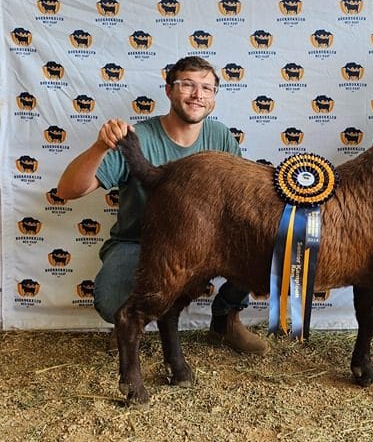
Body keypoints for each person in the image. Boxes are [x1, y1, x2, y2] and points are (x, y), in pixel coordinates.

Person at [57, 56, 269, 356]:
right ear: (169, 90)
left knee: (258, 243)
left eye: (207, 88)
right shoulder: (139, 137)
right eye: (188, 85)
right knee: (114, 300)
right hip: (141, 242)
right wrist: (100, 146)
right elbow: (67, 190)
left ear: (214, 97)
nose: (198, 95)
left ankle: (226, 317)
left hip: (206, 243)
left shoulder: (221, 137)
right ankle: (128, 323)